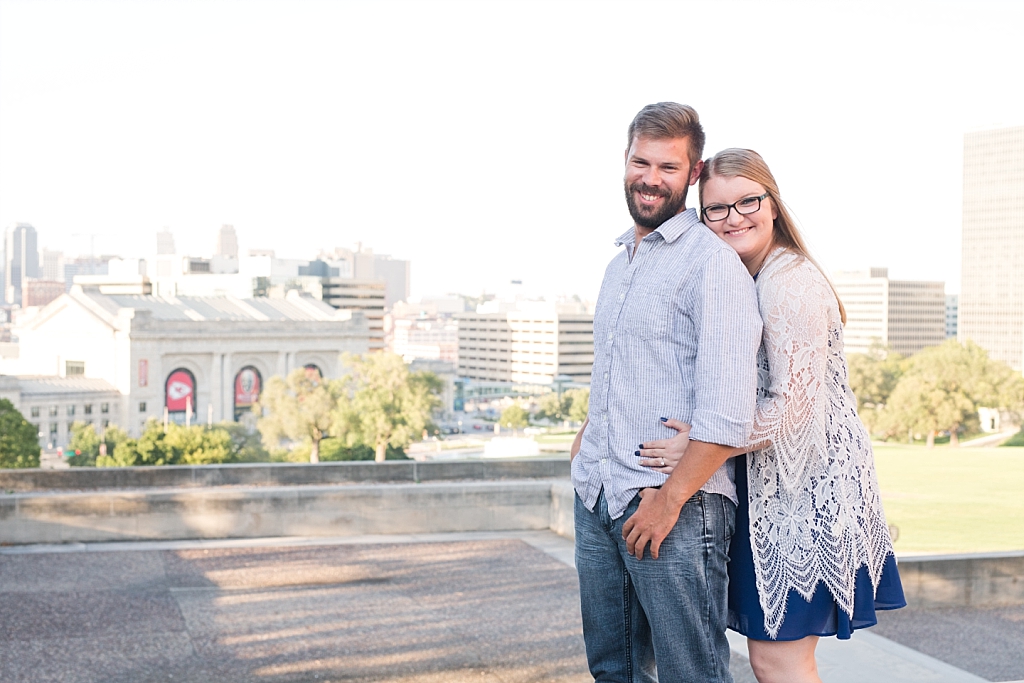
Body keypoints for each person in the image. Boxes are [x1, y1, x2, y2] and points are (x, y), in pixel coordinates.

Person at [637, 148, 906, 683]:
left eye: (748, 201)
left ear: (773, 204)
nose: (735, 217)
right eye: (718, 209)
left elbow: (793, 412)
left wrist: (703, 443)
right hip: (770, 489)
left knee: (778, 660)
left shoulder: (789, 285)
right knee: (773, 659)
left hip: (806, 494)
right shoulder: (745, 276)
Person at [570, 103, 762, 683]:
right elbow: (614, 373)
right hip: (599, 498)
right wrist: (585, 449)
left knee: (692, 673)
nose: (650, 178)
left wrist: (669, 499)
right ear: (624, 162)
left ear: (694, 173)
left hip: (676, 506)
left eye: (668, 167)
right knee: (614, 670)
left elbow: (730, 412)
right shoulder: (618, 264)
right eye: (640, 162)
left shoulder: (712, 265)